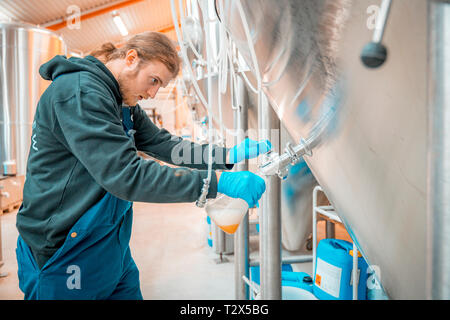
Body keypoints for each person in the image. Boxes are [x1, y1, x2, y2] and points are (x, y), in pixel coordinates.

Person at [15, 31, 271, 300]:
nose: (152, 93)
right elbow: (127, 176)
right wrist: (216, 183)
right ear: (131, 58)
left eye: (159, 86)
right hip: (65, 249)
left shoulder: (120, 99)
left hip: (108, 243)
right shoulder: (80, 94)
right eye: (154, 81)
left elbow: (163, 144)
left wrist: (225, 155)